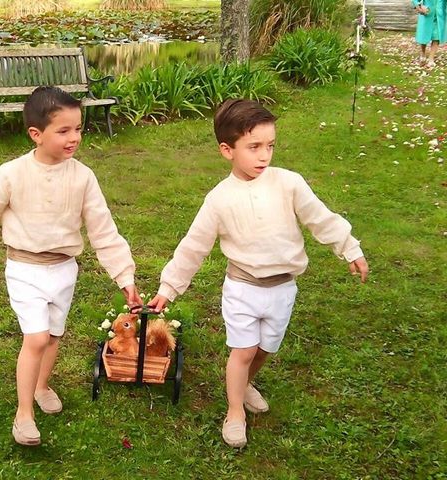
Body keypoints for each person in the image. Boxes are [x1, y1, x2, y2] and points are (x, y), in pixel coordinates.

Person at [147, 99, 369, 449]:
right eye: (253, 147)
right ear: (227, 150)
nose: (264, 156)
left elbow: (319, 217)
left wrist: (350, 248)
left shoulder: (289, 183)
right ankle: (234, 411)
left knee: (266, 348)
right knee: (244, 349)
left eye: (270, 146)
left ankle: (246, 384)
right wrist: (169, 287)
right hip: (243, 288)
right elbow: (194, 246)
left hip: (283, 288)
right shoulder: (219, 199)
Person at [0, 86, 140, 446]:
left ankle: (40, 386)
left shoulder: (83, 177)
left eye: (78, 129)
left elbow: (103, 229)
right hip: (25, 268)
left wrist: (124, 276)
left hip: (64, 269)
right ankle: (23, 414)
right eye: (64, 131)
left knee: (53, 336)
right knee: (35, 337)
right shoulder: (12, 173)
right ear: (36, 134)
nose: (74, 138)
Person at [411, 0, 446, 67]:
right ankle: (423, 53)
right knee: (423, 35)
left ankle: (431, 59)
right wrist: (419, 6)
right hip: (426, 13)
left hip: (440, 15)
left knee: (437, 36)